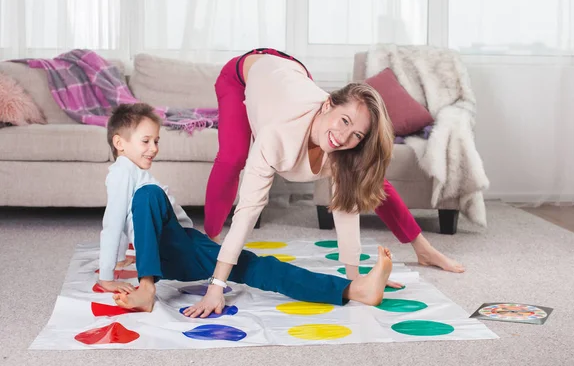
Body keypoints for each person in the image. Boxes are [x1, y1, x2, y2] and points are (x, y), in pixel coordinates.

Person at [197, 48, 465, 317]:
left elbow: (345, 206)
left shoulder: (341, 138)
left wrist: (356, 277)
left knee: (364, 176)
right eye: (344, 121)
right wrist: (216, 285)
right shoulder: (275, 137)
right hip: (243, 73)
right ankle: (210, 238)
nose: (343, 137)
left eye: (356, 134)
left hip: (292, 70)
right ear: (328, 105)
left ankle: (424, 249)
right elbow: (248, 211)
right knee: (233, 158)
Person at [97, 103, 394, 317]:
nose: (153, 148)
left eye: (156, 141)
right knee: (258, 267)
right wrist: (108, 274)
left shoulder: (133, 175)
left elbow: (127, 219)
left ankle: (353, 290)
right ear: (119, 143)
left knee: (257, 268)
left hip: (180, 252)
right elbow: (114, 222)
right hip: (175, 254)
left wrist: (121, 259)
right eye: (145, 141)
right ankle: (147, 288)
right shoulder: (125, 172)